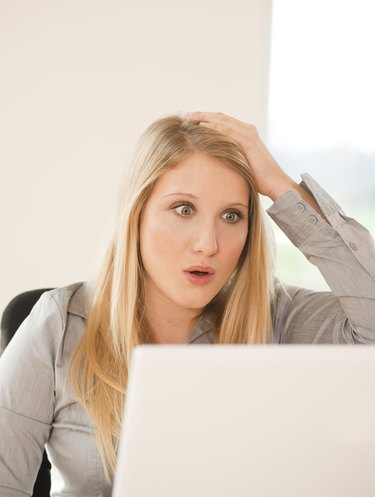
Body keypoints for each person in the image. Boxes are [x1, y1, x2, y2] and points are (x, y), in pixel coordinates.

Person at [0, 112, 374, 496]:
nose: (208, 244)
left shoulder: (278, 315)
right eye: (183, 209)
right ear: (138, 214)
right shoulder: (59, 324)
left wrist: (280, 186)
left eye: (232, 216)